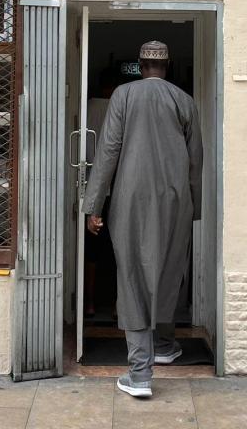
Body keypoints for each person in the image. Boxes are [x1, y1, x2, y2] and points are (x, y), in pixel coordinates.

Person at [83, 40, 202, 399]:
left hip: (130, 199)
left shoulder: (123, 94)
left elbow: (108, 151)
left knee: (133, 273)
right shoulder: (185, 101)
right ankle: (164, 345)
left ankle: (139, 374)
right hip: (175, 199)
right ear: (169, 65)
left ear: (140, 64)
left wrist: (94, 206)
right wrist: (194, 208)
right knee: (168, 270)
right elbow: (195, 161)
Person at [84, 68, 118, 318]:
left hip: (90, 185)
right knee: (119, 248)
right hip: (117, 188)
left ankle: (90, 303)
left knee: (92, 252)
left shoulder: (87, 107)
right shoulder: (120, 108)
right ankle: (119, 304)